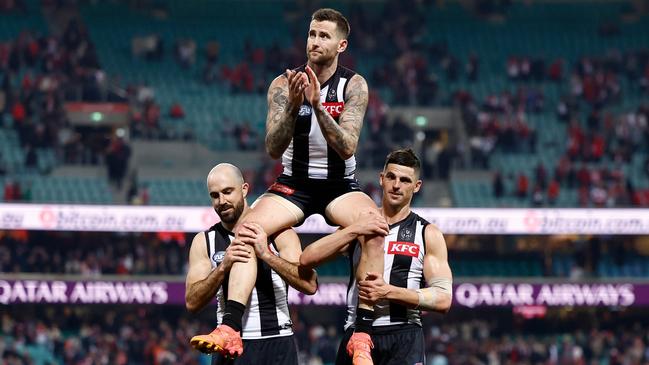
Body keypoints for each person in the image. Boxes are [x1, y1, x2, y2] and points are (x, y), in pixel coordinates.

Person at [191, 8, 388, 365]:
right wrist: (293, 106)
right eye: (312, 34)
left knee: (375, 227)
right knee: (248, 230)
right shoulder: (284, 84)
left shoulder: (353, 84)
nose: (315, 41)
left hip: (338, 185)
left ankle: (361, 333)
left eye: (324, 36)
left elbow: (347, 146)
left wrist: (316, 105)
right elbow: (272, 147)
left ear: (341, 44)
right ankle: (231, 328)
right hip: (294, 184)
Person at [300, 148, 454, 365]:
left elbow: (444, 299)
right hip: (357, 333)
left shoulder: (427, 233)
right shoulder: (360, 225)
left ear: (416, 186)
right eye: (391, 177)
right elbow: (307, 259)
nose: (396, 185)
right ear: (381, 179)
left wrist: (388, 291)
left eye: (405, 180)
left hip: (404, 335)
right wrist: (353, 230)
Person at [186, 163, 318, 364]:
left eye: (228, 192)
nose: (222, 201)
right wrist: (223, 267)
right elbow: (192, 302)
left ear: (245, 189)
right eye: (215, 195)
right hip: (229, 346)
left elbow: (309, 284)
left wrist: (267, 255)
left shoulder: (279, 232)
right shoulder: (205, 241)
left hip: (277, 341)